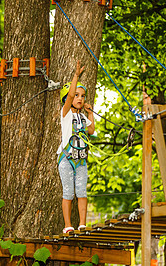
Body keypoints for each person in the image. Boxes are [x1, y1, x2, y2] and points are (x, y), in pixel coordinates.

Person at [57, 61, 95, 234]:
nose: (79, 98)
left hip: (81, 160)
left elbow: (91, 129)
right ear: (67, 99)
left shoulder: (81, 117)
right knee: (68, 192)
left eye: (82, 96)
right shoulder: (65, 114)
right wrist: (76, 76)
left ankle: (82, 223)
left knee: (81, 192)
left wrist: (90, 113)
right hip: (66, 159)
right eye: (77, 95)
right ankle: (67, 225)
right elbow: (70, 95)